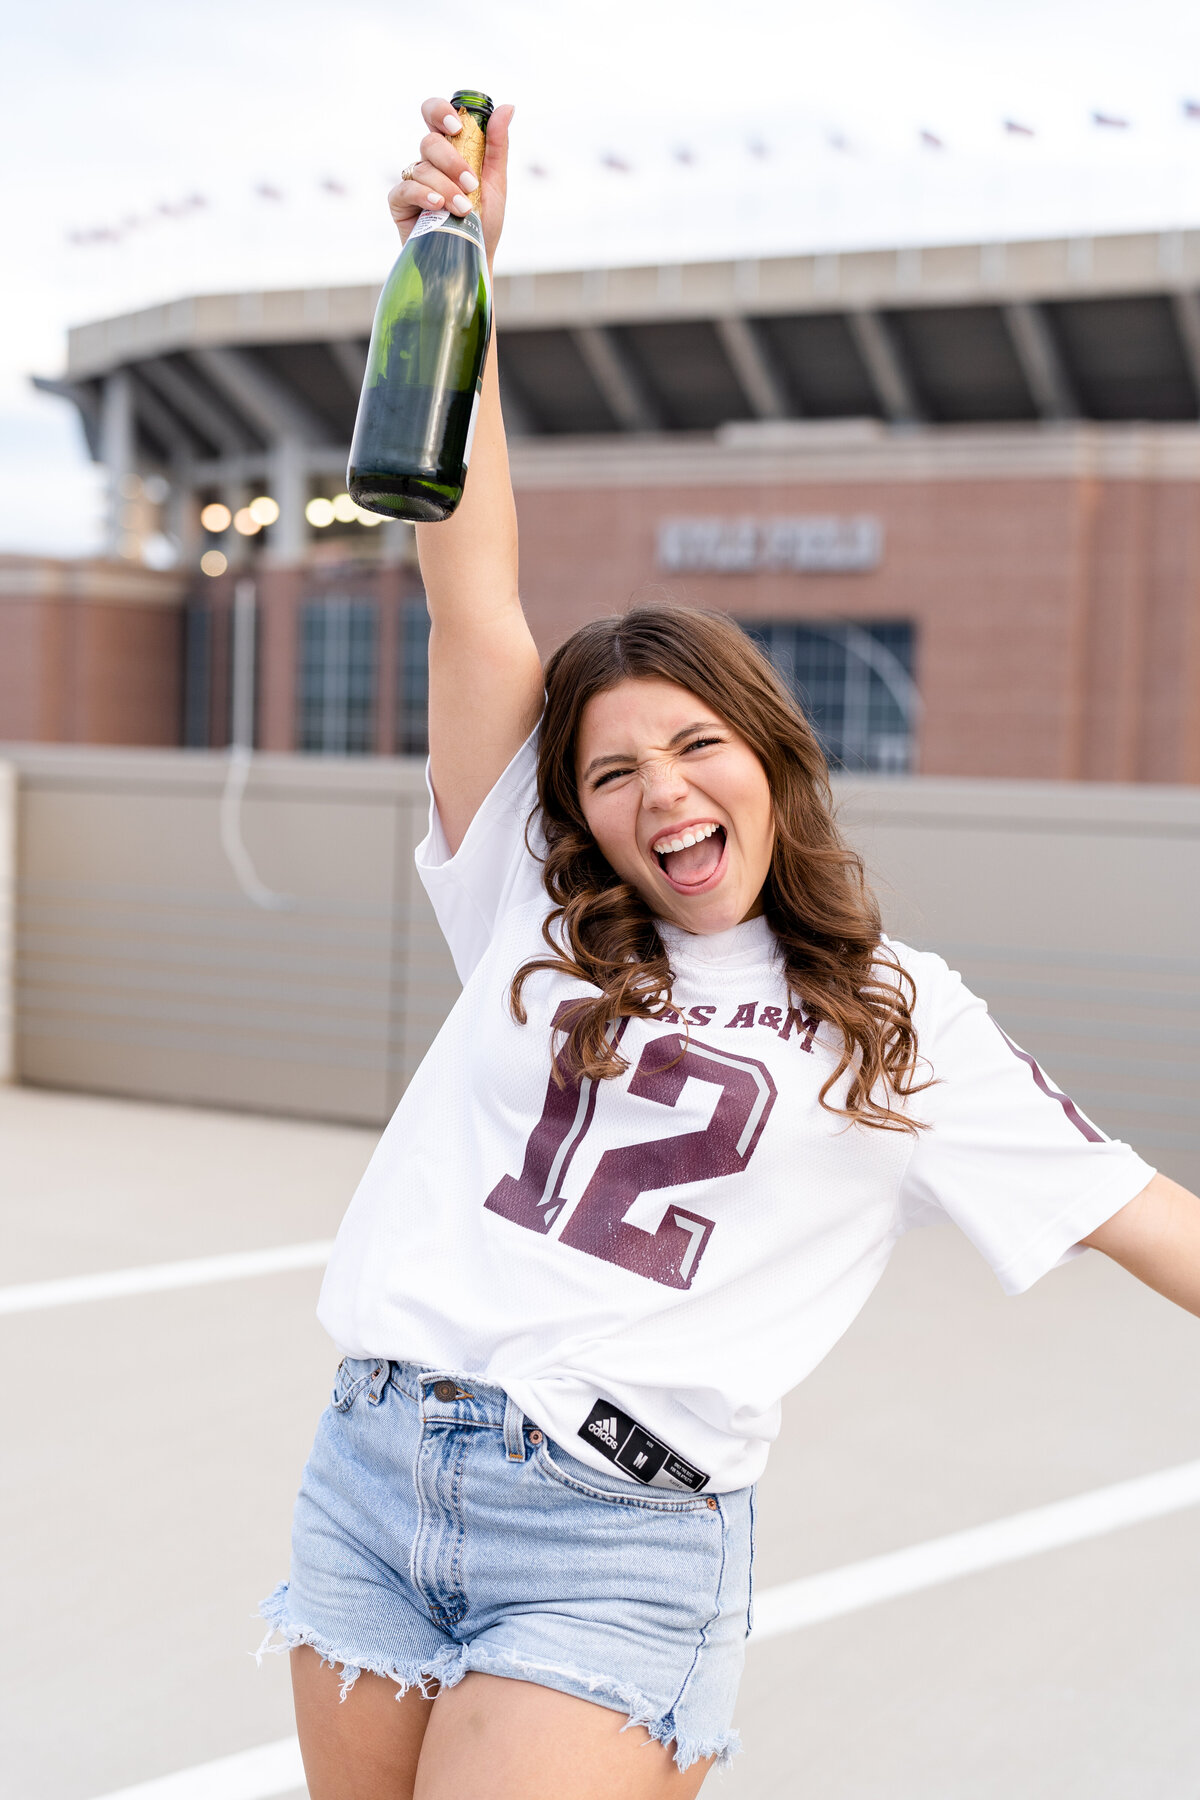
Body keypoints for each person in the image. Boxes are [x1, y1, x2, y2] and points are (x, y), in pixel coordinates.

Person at [256, 96, 1200, 1800]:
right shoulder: (526, 904)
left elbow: (1149, 1226)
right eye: (611, 770)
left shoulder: (896, 1017)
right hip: (376, 1467)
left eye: (695, 747)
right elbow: (475, 592)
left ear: (769, 759)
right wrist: (459, 268)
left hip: (617, 1536)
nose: (656, 793)